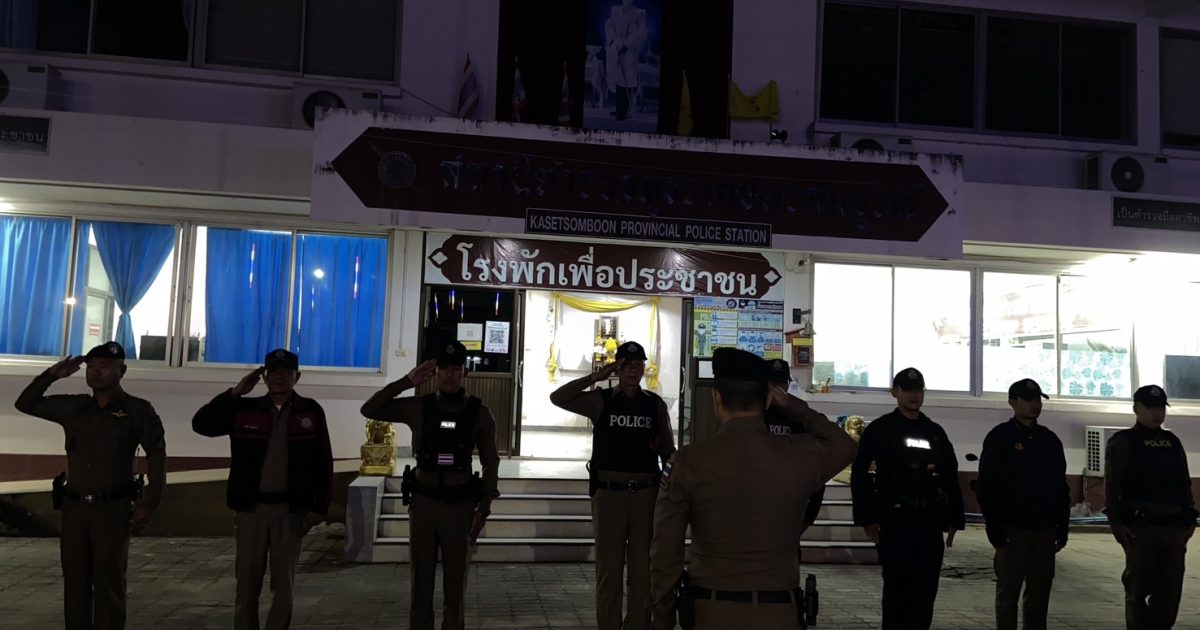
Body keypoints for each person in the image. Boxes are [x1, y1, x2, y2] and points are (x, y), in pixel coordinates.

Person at [649, 347, 857, 629]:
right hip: (779, 614)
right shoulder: (799, 455)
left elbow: (665, 553)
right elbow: (845, 446)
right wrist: (792, 405)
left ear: (716, 398)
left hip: (711, 612)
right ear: (769, 399)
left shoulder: (688, 461)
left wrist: (662, 618)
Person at [14, 341, 166, 630]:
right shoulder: (74, 407)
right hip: (75, 508)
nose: (96, 373)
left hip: (113, 509)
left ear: (122, 370)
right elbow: (25, 403)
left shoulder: (137, 410)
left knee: (109, 584)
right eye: (91, 367)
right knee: (75, 585)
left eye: (104, 367)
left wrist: (149, 503)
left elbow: (157, 455)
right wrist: (51, 375)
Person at [360, 341, 500, 630]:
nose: (450, 375)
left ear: (465, 372)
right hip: (424, 506)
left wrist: (484, 508)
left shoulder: (479, 413)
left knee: (455, 583)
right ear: (436, 372)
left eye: (456, 369)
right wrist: (407, 381)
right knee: (421, 581)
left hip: (459, 507)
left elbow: (491, 462)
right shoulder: (418, 407)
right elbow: (370, 408)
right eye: (445, 369)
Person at [192, 348, 333, 630]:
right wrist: (235, 393)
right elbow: (202, 424)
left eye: (286, 372)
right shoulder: (244, 409)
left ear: (297, 377)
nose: (280, 378)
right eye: (274, 373)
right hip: (251, 510)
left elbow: (323, 461)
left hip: (290, 511)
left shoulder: (310, 411)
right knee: (247, 583)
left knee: (284, 583)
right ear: (264, 377)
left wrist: (320, 506)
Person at [550, 340, 675, 630]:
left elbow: (669, 453)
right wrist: (595, 377)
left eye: (638, 364)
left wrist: (670, 487)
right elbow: (558, 397)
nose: (632, 370)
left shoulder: (654, 404)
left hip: (645, 495)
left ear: (643, 369)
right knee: (609, 574)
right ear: (616, 368)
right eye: (625, 365)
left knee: (643, 574)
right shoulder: (601, 400)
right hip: (609, 496)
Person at [850, 367, 965, 630]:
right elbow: (861, 473)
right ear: (895, 392)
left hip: (928, 522)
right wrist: (867, 517)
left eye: (919, 390)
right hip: (895, 522)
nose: (914, 396)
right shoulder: (882, 429)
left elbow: (949, 473)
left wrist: (955, 518)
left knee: (925, 592)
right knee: (897, 591)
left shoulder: (933, 431)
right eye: (908, 390)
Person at [977, 378, 1069, 630]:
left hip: (1044, 529)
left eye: (1038, 399)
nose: (1034, 405)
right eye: (1028, 400)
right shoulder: (1000, 438)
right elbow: (987, 486)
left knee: (1039, 595)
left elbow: (1061, 487)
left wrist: (1062, 526)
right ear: (1012, 402)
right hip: (1012, 529)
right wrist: (994, 529)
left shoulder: (1049, 440)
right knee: (1008, 595)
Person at [1105, 384, 1197, 630]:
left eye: (1160, 408)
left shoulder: (1172, 442)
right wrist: (1116, 523)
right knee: (1137, 590)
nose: (1157, 413)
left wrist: (1190, 520)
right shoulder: (1124, 441)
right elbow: (1112, 486)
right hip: (1141, 528)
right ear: (1137, 409)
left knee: (1169, 592)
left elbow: (1184, 482)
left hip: (1173, 528)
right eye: (1150, 408)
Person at [764, 359, 825, 535]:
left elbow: (817, 471)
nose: (777, 388)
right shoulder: (754, 417)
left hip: (790, 506)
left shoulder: (800, 418)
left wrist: (808, 519)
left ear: (788, 384)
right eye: (772, 383)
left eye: (781, 383)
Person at [604, 0, 646, 121]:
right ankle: (619, 108)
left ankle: (623, 111)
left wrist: (626, 44)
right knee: (617, 80)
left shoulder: (639, 13)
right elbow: (609, 26)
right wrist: (616, 41)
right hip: (616, 50)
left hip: (629, 52)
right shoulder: (615, 10)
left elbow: (641, 33)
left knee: (626, 80)